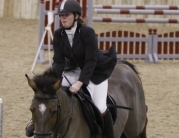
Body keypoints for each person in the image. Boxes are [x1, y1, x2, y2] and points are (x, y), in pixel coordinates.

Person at [26, 0, 117, 138]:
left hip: (94, 73)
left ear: (75, 16)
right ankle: (38, 122)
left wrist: (80, 83)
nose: (63, 18)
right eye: (61, 16)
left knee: (100, 106)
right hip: (73, 71)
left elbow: (90, 61)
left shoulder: (88, 32)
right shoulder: (58, 34)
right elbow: (59, 62)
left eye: (66, 15)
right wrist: (45, 82)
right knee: (48, 95)